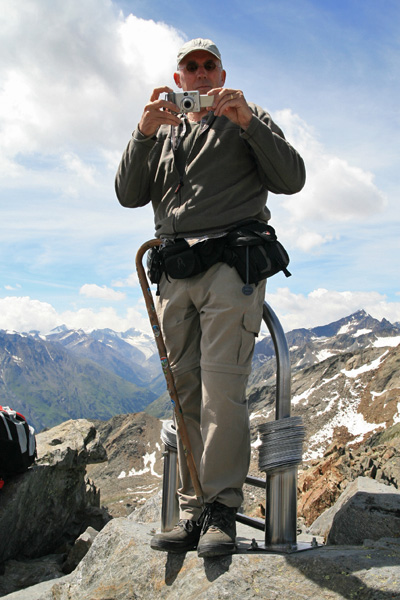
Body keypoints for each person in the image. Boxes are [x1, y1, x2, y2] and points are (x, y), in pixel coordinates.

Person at [115, 38, 305, 557]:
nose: (200, 76)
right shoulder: (163, 128)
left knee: (222, 391)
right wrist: (142, 132)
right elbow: (128, 194)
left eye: (208, 66)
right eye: (190, 68)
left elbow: (292, 179)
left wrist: (248, 122)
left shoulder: (248, 116)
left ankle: (221, 507)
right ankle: (196, 509)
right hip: (174, 273)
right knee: (185, 393)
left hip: (228, 267)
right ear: (178, 80)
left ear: (221, 72)